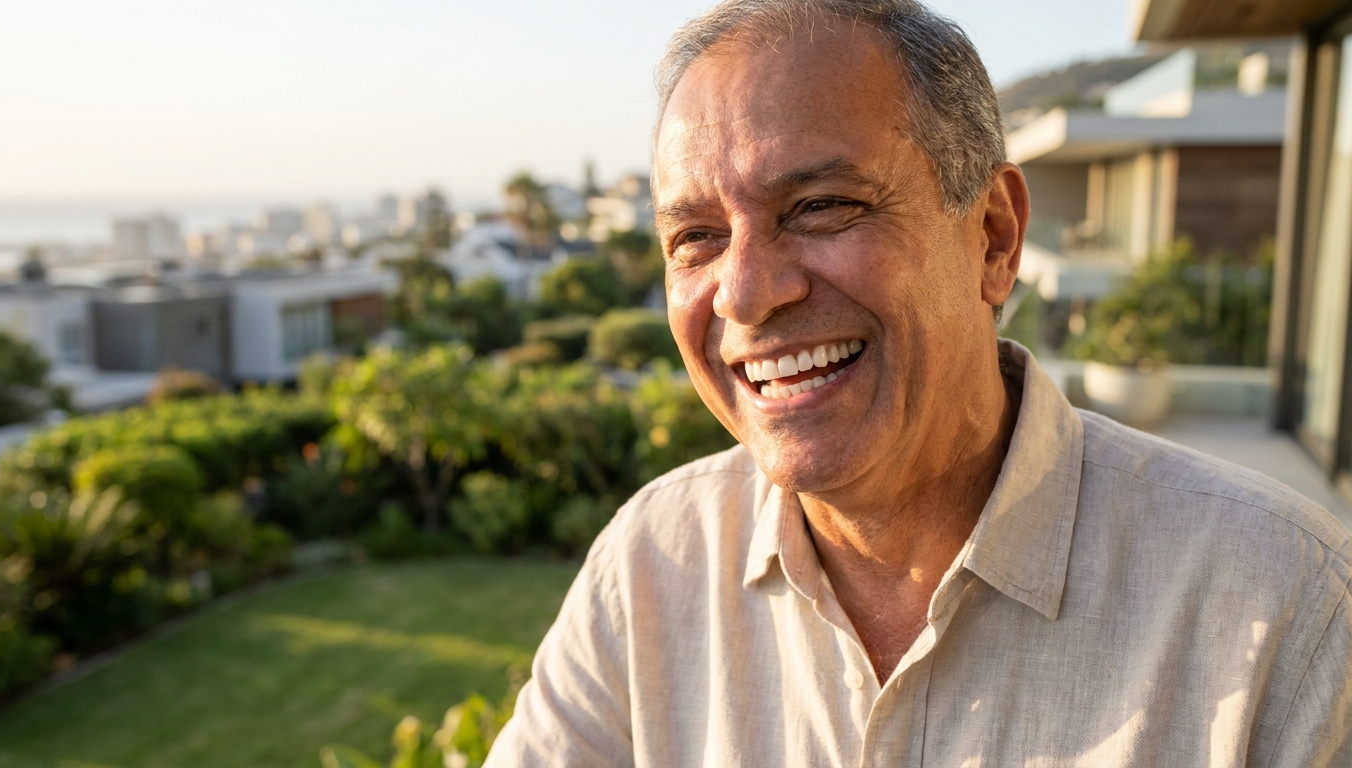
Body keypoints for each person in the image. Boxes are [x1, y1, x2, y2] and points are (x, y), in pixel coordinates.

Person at [487, 1, 1352, 764]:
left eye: (822, 206)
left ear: (994, 238)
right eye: (697, 238)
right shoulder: (651, 565)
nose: (746, 294)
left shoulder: (1291, 606)